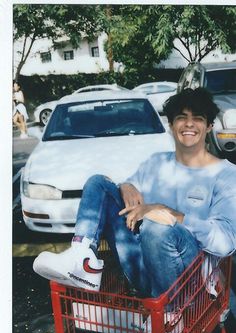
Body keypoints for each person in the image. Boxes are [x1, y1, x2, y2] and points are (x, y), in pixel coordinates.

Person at [33, 88, 236, 298]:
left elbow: (225, 242)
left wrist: (168, 214)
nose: (189, 124)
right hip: (143, 266)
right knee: (98, 183)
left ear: (210, 125)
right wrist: (125, 185)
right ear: (171, 125)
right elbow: (128, 191)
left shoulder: (226, 174)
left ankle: (172, 313)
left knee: (157, 227)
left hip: (189, 284)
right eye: (181, 118)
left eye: (198, 118)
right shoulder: (156, 162)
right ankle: (82, 260)